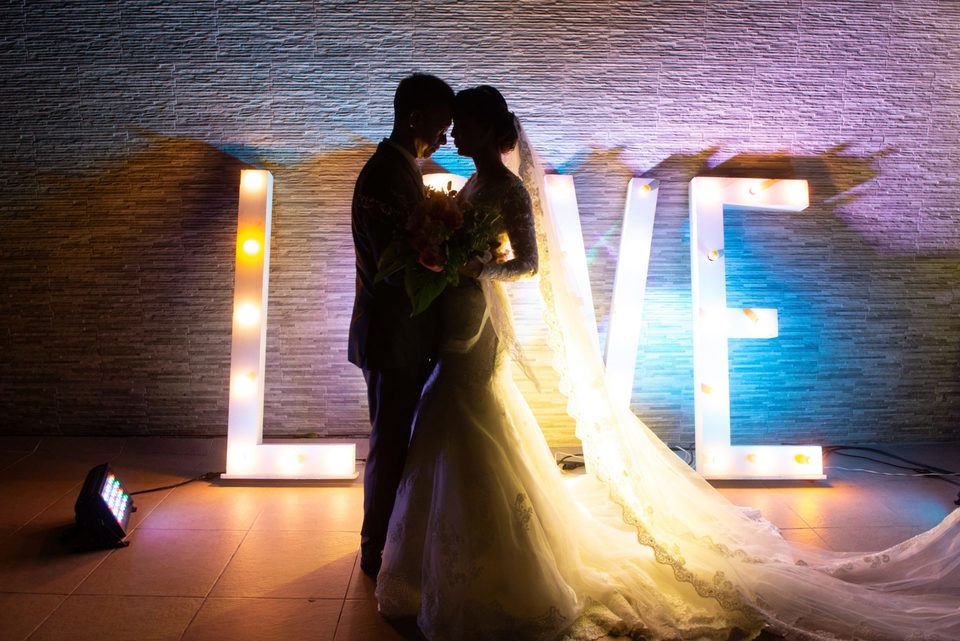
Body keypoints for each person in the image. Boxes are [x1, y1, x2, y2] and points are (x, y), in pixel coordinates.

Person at [374, 85, 960, 641]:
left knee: (466, 408)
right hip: (460, 309)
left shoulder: (508, 191)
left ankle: (487, 558)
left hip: (478, 319)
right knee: (457, 413)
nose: (454, 133)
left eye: (464, 124)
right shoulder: (474, 185)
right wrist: (447, 255)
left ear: (486, 127)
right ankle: (461, 551)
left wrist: (472, 268)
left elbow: (525, 264)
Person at [348, 72, 454, 579]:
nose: (446, 137)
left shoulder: (401, 169)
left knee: (398, 441)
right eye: (441, 124)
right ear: (415, 117)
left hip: (405, 335)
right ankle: (373, 551)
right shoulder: (383, 175)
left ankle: (391, 538)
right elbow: (396, 267)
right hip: (392, 335)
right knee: (389, 443)